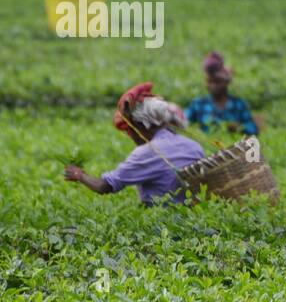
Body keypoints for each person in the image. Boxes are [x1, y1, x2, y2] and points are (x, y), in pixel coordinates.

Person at [64, 83, 205, 205]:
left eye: (130, 130)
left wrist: (79, 175)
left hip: (163, 221)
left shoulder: (147, 152)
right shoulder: (194, 146)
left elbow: (104, 186)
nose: (130, 135)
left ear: (141, 126)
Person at [185, 52, 260, 136]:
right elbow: (183, 121)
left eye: (217, 82)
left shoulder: (238, 104)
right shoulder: (199, 104)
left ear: (226, 83)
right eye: (210, 82)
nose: (213, 86)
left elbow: (254, 129)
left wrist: (238, 127)